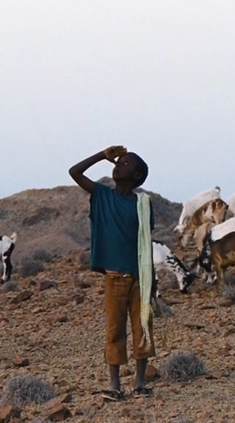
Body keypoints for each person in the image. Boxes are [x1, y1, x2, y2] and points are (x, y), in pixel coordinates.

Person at [68, 145, 156, 401]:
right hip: (115, 276)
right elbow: (75, 172)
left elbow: (146, 240)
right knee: (115, 329)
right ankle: (115, 386)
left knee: (143, 328)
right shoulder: (104, 196)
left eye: (126, 163)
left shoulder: (143, 203)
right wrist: (101, 156)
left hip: (142, 276)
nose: (118, 165)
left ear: (138, 176)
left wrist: (153, 279)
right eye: (118, 162)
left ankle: (140, 383)